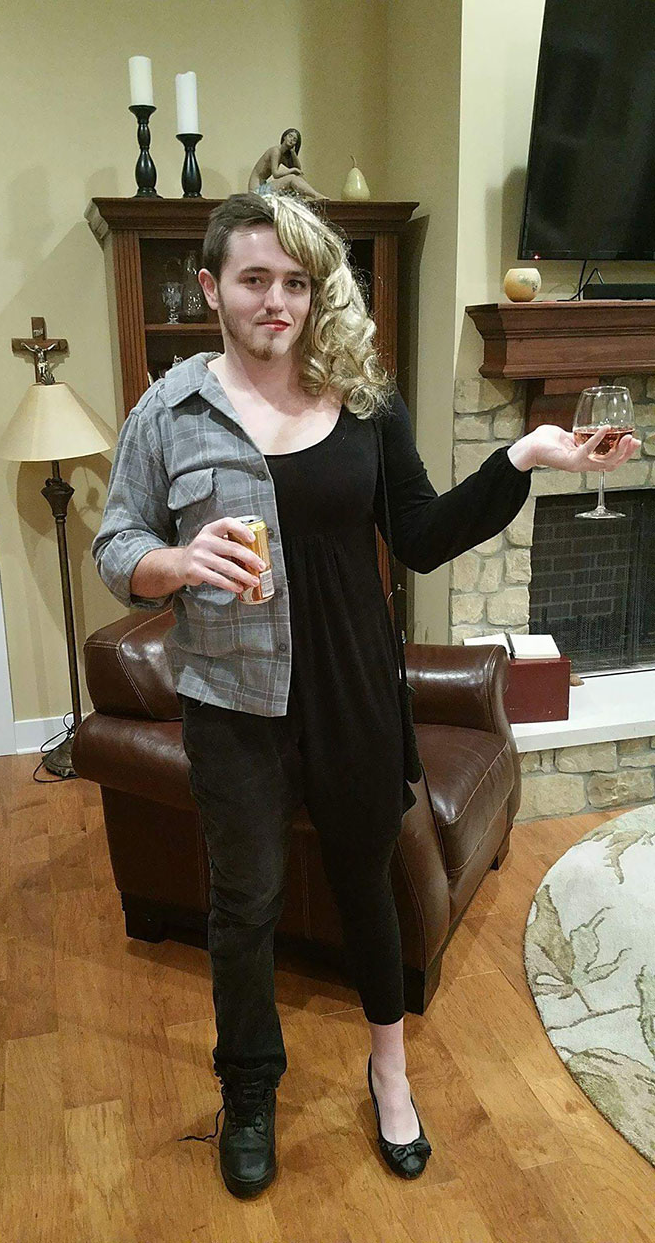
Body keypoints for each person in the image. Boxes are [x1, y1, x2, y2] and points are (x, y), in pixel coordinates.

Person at [91, 190, 640, 1199]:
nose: (278, 301)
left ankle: (389, 1072)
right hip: (232, 706)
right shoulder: (167, 412)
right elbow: (115, 543)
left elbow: (422, 535)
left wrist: (525, 455)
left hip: (354, 692)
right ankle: (249, 1091)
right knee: (245, 903)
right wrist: (174, 561)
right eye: (255, 279)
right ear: (211, 287)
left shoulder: (362, 400)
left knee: (367, 881)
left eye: (296, 282)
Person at [247, 127, 326, 200]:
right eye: (290, 136)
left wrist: (293, 152)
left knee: (297, 178)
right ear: (284, 137)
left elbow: (298, 170)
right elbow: (276, 174)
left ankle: (308, 198)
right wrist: (293, 170)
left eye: (294, 139)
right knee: (291, 178)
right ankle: (316, 195)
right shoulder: (276, 151)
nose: (291, 140)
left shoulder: (283, 155)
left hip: (263, 187)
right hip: (256, 191)